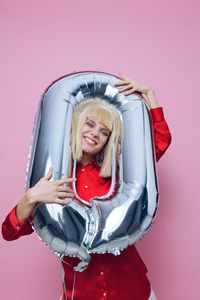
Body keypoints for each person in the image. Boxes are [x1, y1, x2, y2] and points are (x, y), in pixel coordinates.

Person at [2, 74, 172, 300]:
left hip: (133, 289)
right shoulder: (50, 178)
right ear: (75, 125)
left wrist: (149, 96)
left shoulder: (116, 174)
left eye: (104, 131)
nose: (95, 134)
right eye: (90, 124)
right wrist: (30, 198)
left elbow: (159, 143)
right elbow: (9, 232)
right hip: (82, 292)